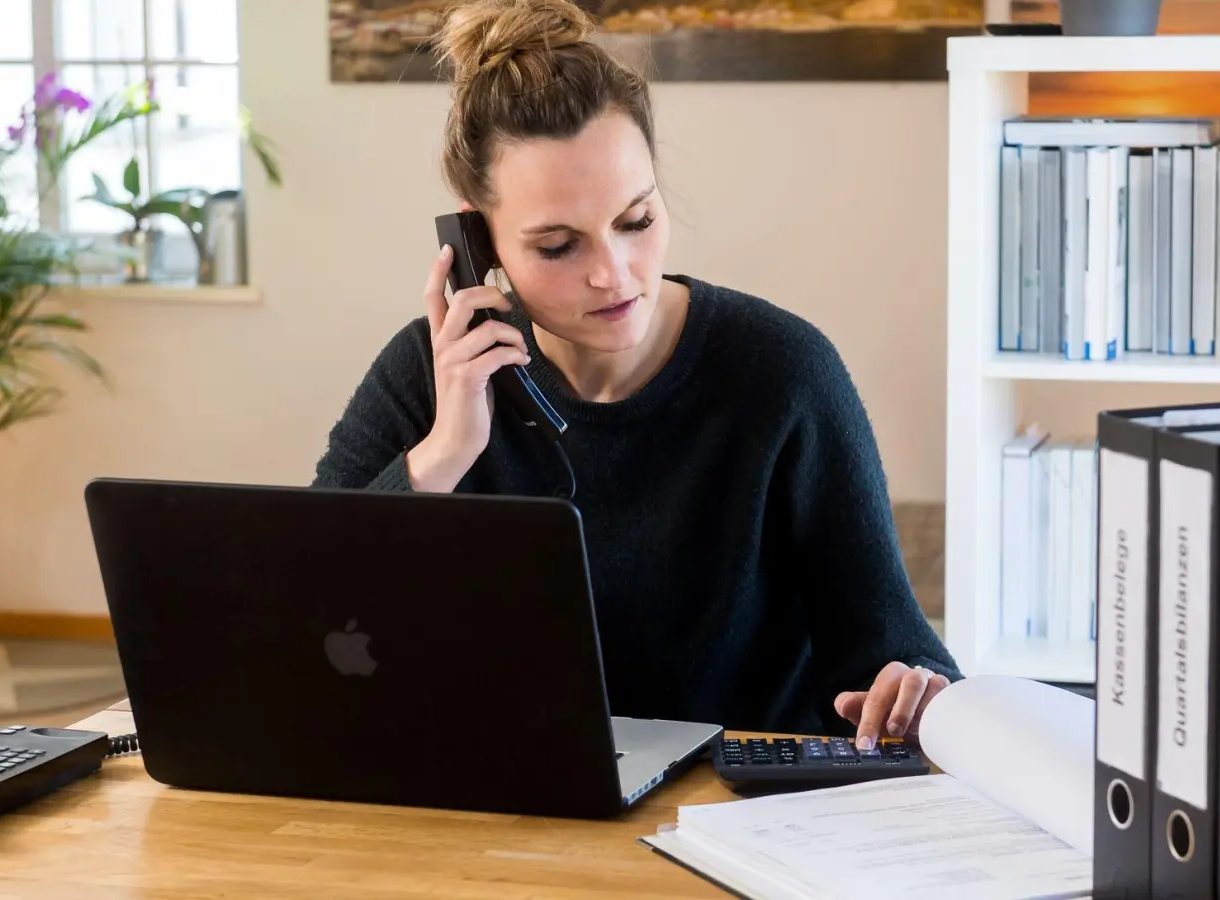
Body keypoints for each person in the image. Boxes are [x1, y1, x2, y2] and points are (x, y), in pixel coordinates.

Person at [312, 0, 962, 747]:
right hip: (502, 814)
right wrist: (440, 458)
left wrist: (914, 692)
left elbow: (897, 651)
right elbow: (306, 616)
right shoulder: (431, 374)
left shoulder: (783, 374)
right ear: (477, 241)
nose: (614, 275)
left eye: (636, 221)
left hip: (737, 821)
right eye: (558, 246)